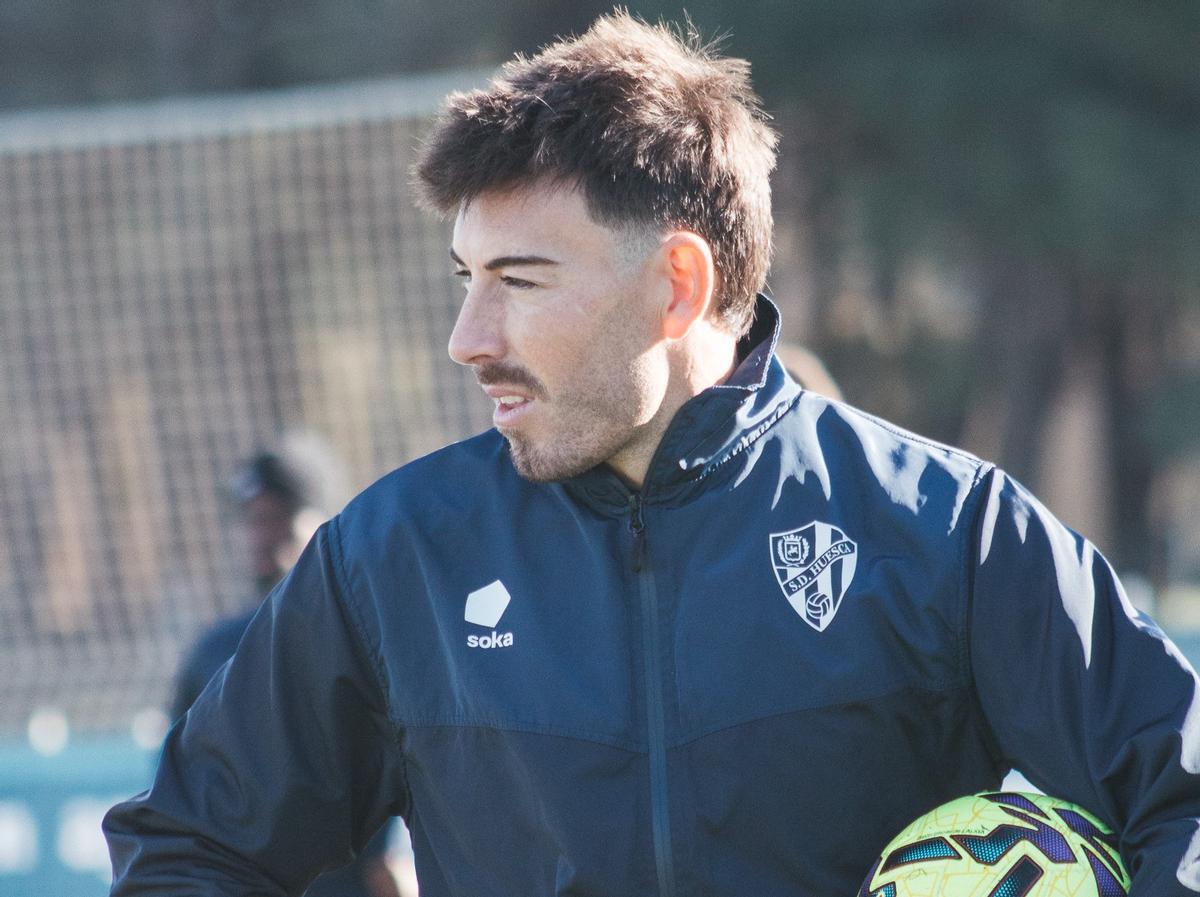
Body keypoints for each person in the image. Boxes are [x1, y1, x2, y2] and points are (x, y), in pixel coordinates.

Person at [105, 13, 1200, 895]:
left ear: (677, 285)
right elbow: (191, 853)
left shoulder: (945, 530)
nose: (468, 339)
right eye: (464, 278)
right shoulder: (392, 559)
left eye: (520, 281)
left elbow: (1181, 799)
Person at [169, 452, 402, 897]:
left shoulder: (370, 638)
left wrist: (388, 861)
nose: (261, 536)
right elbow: (178, 786)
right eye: (252, 521)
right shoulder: (213, 653)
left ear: (324, 521)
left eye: (279, 517)